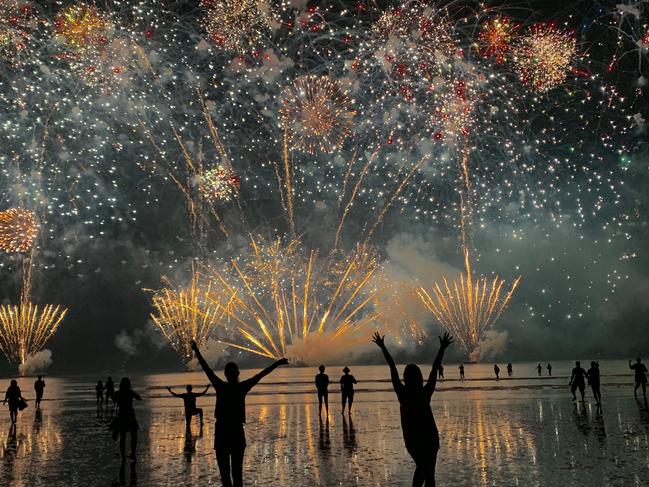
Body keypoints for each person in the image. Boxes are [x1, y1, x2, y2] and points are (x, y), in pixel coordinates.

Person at [190, 340, 287, 487]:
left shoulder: (220, 386)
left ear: (225, 374)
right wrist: (276, 363)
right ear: (238, 374)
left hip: (222, 432)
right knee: (237, 474)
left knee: (225, 475)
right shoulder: (242, 387)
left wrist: (196, 350)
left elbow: (207, 369)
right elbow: (261, 375)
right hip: (236, 432)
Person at [373, 331, 454, 487]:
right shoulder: (425, 392)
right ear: (419, 377)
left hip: (413, 439)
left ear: (406, 378)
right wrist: (442, 348)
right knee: (428, 472)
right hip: (430, 438)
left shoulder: (402, 393)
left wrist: (383, 347)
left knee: (423, 468)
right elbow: (434, 369)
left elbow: (392, 367)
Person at [114, 377, 141, 460]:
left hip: (122, 414)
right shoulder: (130, 392)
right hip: (130, 414)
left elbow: (115, 401)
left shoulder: (118, 393)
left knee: (123, 436)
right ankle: (133, 453)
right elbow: (139, 398)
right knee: (134, 435)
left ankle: (123, 454)